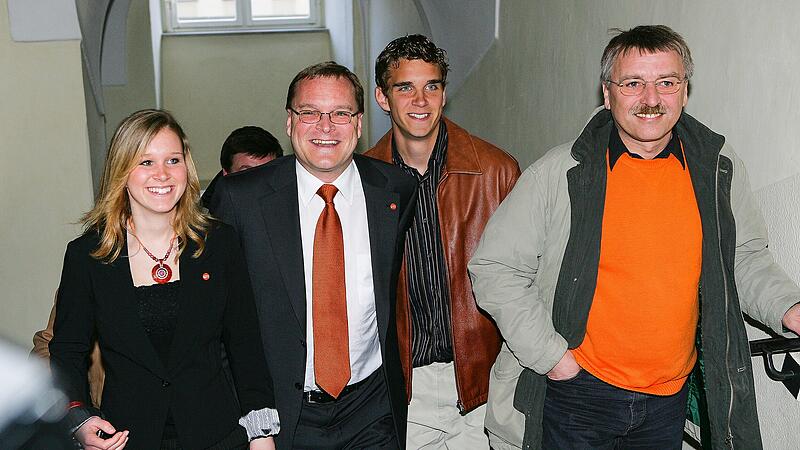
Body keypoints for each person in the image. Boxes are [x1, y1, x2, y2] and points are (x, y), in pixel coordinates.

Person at [468, 25, 800, 450]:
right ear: (607, 94)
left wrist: (789, 308)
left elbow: (743, 258)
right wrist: (551, 357)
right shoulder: (563, 172)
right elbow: (494, 266)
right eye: (633, 83)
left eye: (666, 82)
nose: (650, 99)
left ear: (684, 91)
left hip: (668, 400)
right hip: (578, 394)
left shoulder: (715, 169)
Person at [210, 62, 417, 449]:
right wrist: (252, 419)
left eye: (340, 113)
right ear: (290, 122)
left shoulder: (395, 191)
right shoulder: (240, 199)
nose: (325, 127)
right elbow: (217, 319)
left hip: (372, 409)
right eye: (310, 113)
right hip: (284, 416)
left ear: (358, 124)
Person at [49, 109, 279, 450]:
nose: (163, 174)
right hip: (125, 438)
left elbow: (246, 346)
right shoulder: (87, 256)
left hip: (218, 436)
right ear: (122, 170)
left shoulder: (220, 243)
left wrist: (262, 436)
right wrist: (78, 420)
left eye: (173, 160)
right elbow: (67, 351)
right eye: (146, 162)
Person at [366, 34, 520, 448]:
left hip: (485, 382)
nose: (420, 100)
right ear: (383, 98)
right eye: (405, 88)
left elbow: (528, 280)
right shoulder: (362, 183)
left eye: (431, 86)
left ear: (444, 94)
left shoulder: (496, 171)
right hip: (405, 388)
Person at [201, 126, 284, 205]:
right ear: (226, 174)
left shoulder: (291, 210)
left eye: (267, 173)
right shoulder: (207, 217)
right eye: (247, 173)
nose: (258, 183)